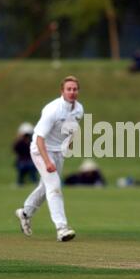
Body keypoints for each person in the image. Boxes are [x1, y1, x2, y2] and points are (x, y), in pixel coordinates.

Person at [15, 76, 84, 242]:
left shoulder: (79, 109)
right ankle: (62, 228)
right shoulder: (53, 109)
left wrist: (71, 143)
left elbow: (74, 127)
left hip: (58, 152)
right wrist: (47, 161)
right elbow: (39, 139)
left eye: (75, 89)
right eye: (69, 89)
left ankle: (25, 213)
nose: (72, 92)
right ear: (62, 91)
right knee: (54, 187)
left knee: (46, 187)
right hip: (41, 151)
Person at [13, 122, 38, 187]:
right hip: (22, 162)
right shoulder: (20, 143)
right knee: (23, 167)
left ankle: (34, 181)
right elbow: (15, 149)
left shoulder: (32, 142)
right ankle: (20, 182)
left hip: (31, 162)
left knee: (31, 167)